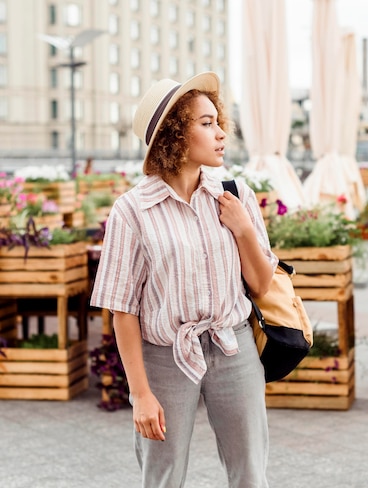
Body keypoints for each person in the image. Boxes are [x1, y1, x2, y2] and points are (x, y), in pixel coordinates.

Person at [90, 72, 277, 488]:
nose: (220, 133)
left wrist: (244, 228)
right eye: (205, 123)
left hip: (234, 347)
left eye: (218, 121)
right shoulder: (132, 211)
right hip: (164, 357)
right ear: (173, 134)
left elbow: (263, 285)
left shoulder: (236, 195)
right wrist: (140, 394)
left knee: (250, 474)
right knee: (163, 476)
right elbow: (122, 310)